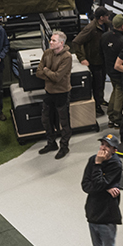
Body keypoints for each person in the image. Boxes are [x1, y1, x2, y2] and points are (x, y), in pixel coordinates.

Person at [36, 30, 73, 160]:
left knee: (64, 122)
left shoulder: (67, 57)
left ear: (61, 43)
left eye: (53, 40)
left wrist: (46, 70)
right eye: (51, 40)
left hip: (62, 93)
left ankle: (64, 146)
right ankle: (51, 143)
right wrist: (48, 73)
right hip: (49, 92)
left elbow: (57, 77)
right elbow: (38, 72)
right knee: (46, 119)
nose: (50, 42)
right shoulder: (47, 53)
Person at [71, 8, 111, 115]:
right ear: (101, 17)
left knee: (101, 82)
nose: (108, 17)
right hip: (94, 61)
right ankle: (96, 105)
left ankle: (101, 100)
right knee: (97, 84)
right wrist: (82, 58)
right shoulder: (91, 28)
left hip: (102, 60)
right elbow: (76, 42)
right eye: (106, 15)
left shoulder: (106, 25)